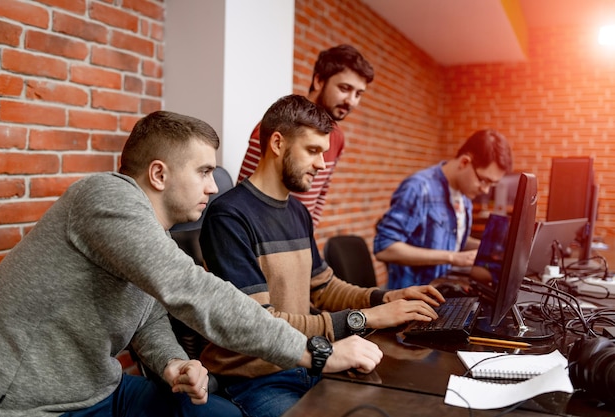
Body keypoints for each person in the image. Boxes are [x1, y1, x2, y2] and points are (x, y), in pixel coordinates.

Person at [0, 111, 383, 417]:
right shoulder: (104, 197)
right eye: (204, 172)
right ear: (159, 174)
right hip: (30, 401)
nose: (213, 187)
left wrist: (173, 362)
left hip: (99, 387)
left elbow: (149, 318)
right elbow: (192, 289)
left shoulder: (152, 234)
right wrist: (316, 351)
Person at [199, 95, 444, 417]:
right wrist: (365, 319)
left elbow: (324, 287)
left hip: (311, 359)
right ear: (277, 143)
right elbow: (261, 325)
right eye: (313, 150)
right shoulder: (229, 217)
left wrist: (385, 298)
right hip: (255, 377)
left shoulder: (297, 211)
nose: (321, 163)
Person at [237, 44, 374, 226]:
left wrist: (308, 235)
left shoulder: (338, 138)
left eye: (358, 94)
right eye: (344, 88)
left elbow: (321, 195)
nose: (351, 101)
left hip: (299, 239)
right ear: (319, 80)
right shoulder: (277, 125)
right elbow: (244, 193)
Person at [373, 129, 513, 290]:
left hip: (442, 291)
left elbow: (454, 239)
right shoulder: (418, 188)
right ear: (465, 163)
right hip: (410, 299)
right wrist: (452, 257)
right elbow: (384, 248)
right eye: (484, 181)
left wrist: (492, 250)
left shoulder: (464, 194)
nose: (486, 190)